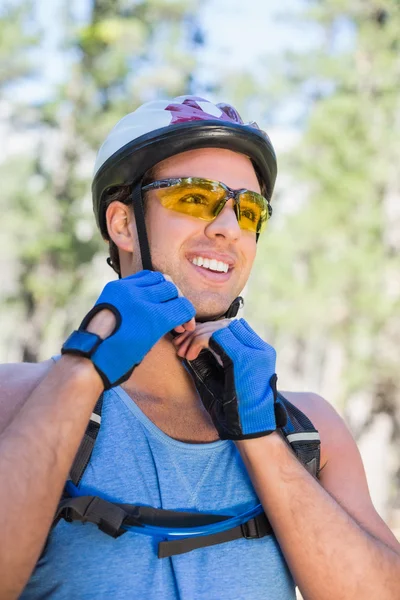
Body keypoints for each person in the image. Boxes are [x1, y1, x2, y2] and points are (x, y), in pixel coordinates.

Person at [0, 96, 399, 600]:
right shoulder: (13, 399)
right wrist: (82, 371)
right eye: (194, 198)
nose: (229, 229)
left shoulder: (309, 431)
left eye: (249, 210)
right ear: (123, 224)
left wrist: (260, 438)